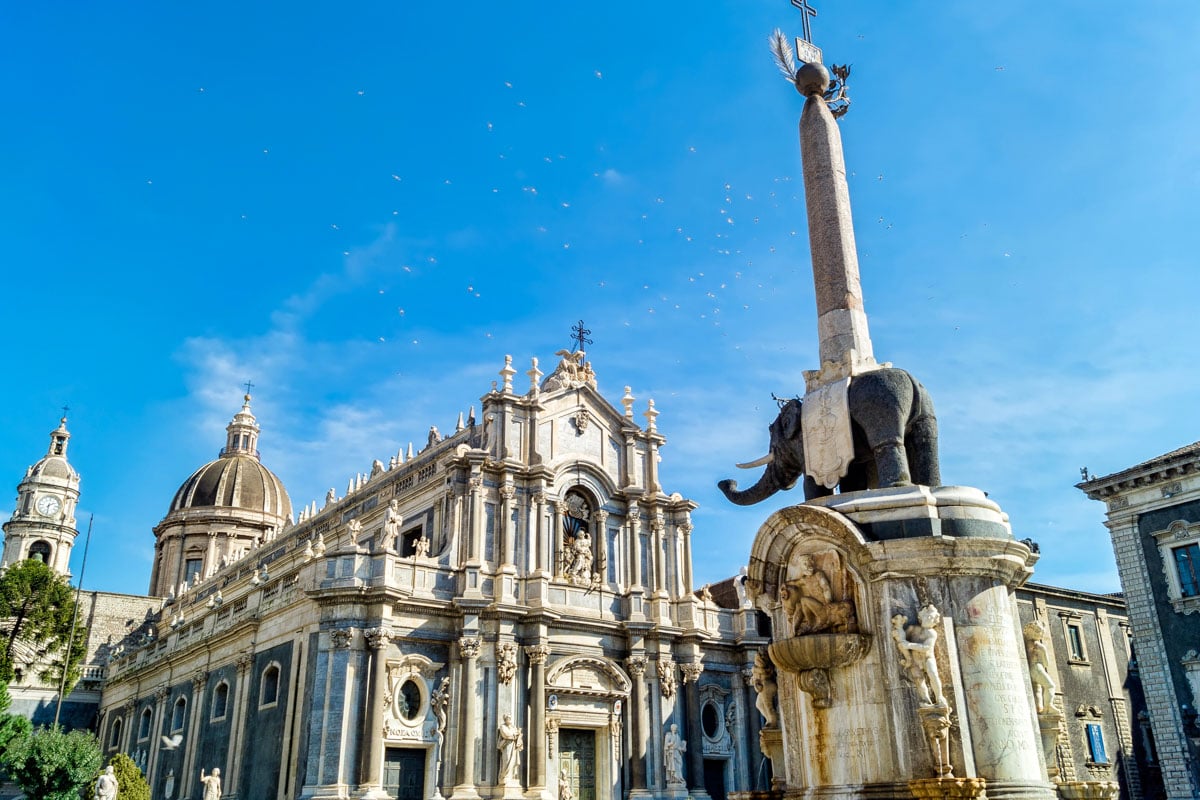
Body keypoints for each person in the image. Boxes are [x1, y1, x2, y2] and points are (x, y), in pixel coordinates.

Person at [497, 713, 523, 784]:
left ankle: (511, 776)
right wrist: (515, 735)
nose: (509, 719)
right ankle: (504, 776)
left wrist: (518, 734)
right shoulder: (503, 727)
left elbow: (514, 734)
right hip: (506, 746)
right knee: (507, 759)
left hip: (513, 746)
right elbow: (506, 735)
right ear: (505, 719)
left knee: (513, 760)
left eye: (510, 718)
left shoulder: (513, 727)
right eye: (507, 718)